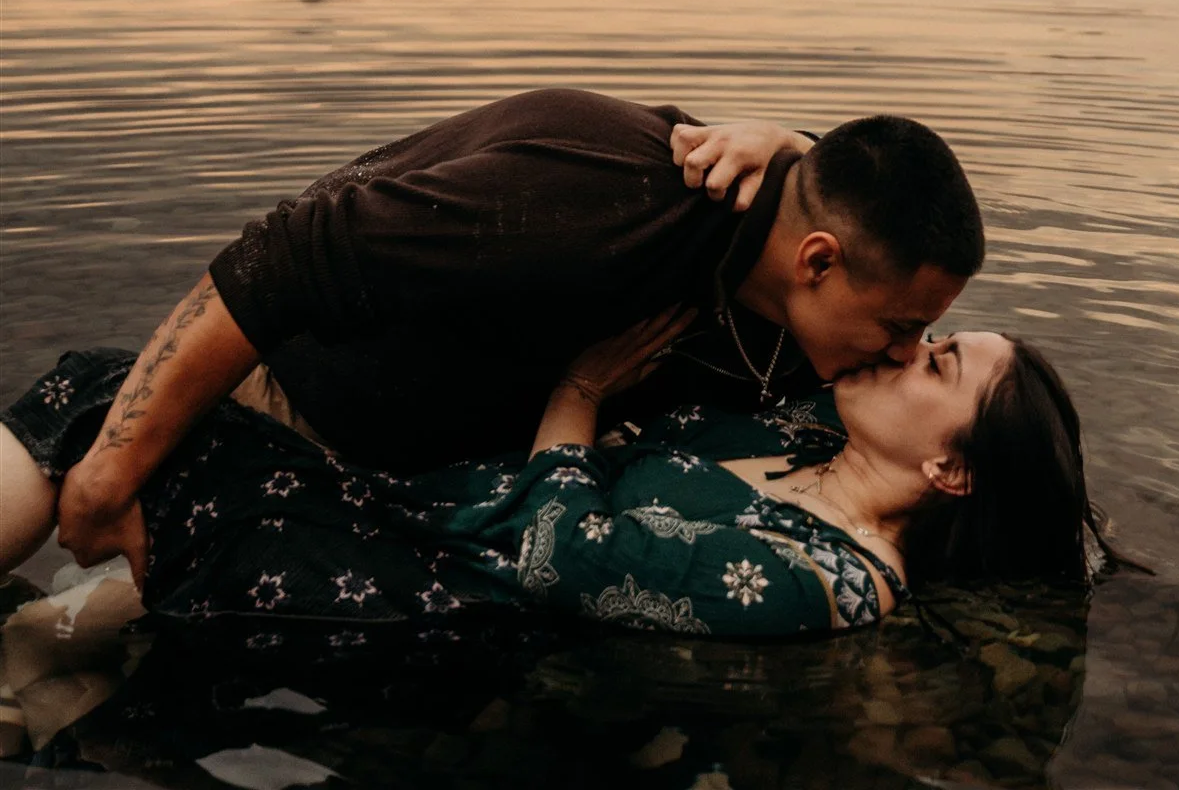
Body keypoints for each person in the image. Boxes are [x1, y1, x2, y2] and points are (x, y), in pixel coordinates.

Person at [52, 93, 986, 586]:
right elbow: (277, 258)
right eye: (904, 328)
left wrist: (792, 140)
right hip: (284, 419)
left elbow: (850, 180)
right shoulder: (598, 203)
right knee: (75, 518)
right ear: (817, 263)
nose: (909, 350)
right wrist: (110, 472)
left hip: (423, 501)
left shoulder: (794, 292)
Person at [0, 313, 1109, 643]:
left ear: (953, 466)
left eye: (942, 360)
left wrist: (576, 391)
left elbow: (561, 557)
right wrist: (774, 148)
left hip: (419, 589)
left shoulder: (824, 579)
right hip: (412, 505)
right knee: (109, 409)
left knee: (98, 395)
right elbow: (816, 263)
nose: (912, 340)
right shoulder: (803, 431)